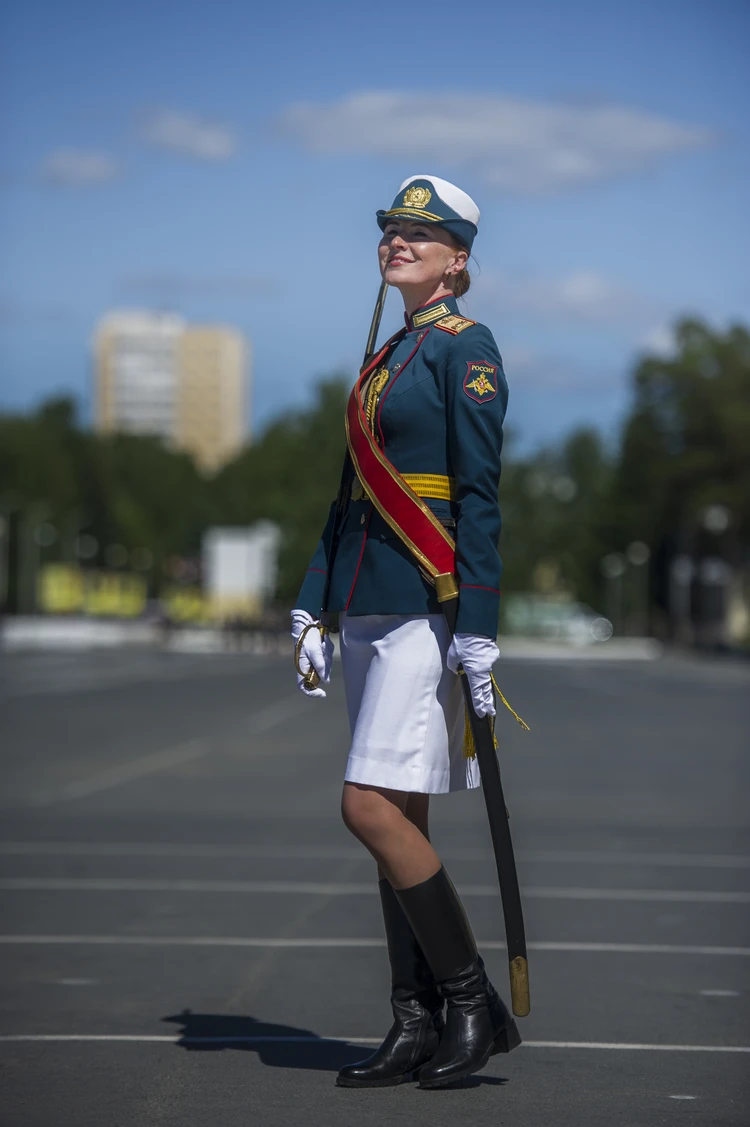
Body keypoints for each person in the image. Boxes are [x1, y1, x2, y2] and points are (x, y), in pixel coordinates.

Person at [290, 175, 520, 1089]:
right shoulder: (388, 355)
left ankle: (474, 1005)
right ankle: (414, 1018)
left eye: (419, 234)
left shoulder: (467, 349)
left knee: (368, 807)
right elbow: (351, 495)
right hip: (368, 602)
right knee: (402, 814)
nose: (398, 242)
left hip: (428, 605)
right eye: (390, 230)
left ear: (458, 258)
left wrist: (482, 626)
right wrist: (313, 599)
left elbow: (479, 499)